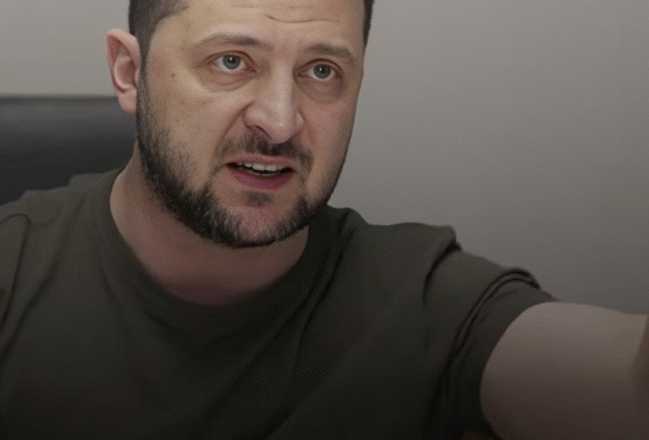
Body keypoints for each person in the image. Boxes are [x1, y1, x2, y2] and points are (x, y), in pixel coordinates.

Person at [0, 0, 647, 438]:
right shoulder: (13, 273)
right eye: (231, 61)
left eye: (321, 71)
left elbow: (621, 388)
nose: (280, 121)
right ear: (130, 72)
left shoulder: (424, 303)